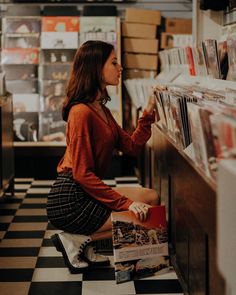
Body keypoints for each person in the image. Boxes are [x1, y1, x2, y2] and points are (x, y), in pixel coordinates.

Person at [46, 40, 158, 274]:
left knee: (151, 198)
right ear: (96, 68)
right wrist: (127, 203)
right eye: (114, 62)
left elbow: (132, 147)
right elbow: (82, 174)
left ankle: (79, 242)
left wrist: (147, 113)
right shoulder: (80, 112)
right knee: (140, 215)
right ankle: (76, 240)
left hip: (84, 189)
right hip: (70, 197)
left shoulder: (101, 110)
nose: (120, 68)